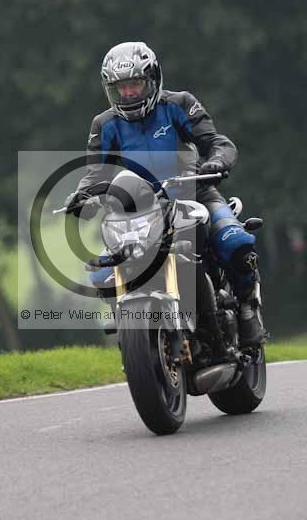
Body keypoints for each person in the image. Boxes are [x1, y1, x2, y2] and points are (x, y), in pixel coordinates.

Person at [65, 41, 265, 347]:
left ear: (153, 79)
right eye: (120, 87)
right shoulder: (104, 124)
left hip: (196, 194)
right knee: (102, 273)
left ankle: (248, 307)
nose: (128, 93)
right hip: (139, 209)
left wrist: (216, 161)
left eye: (135, 84)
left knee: (235, 242)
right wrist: (83, 197)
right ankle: (134, 330)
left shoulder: (179, 104)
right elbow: (95, 173)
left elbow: (218, 142)